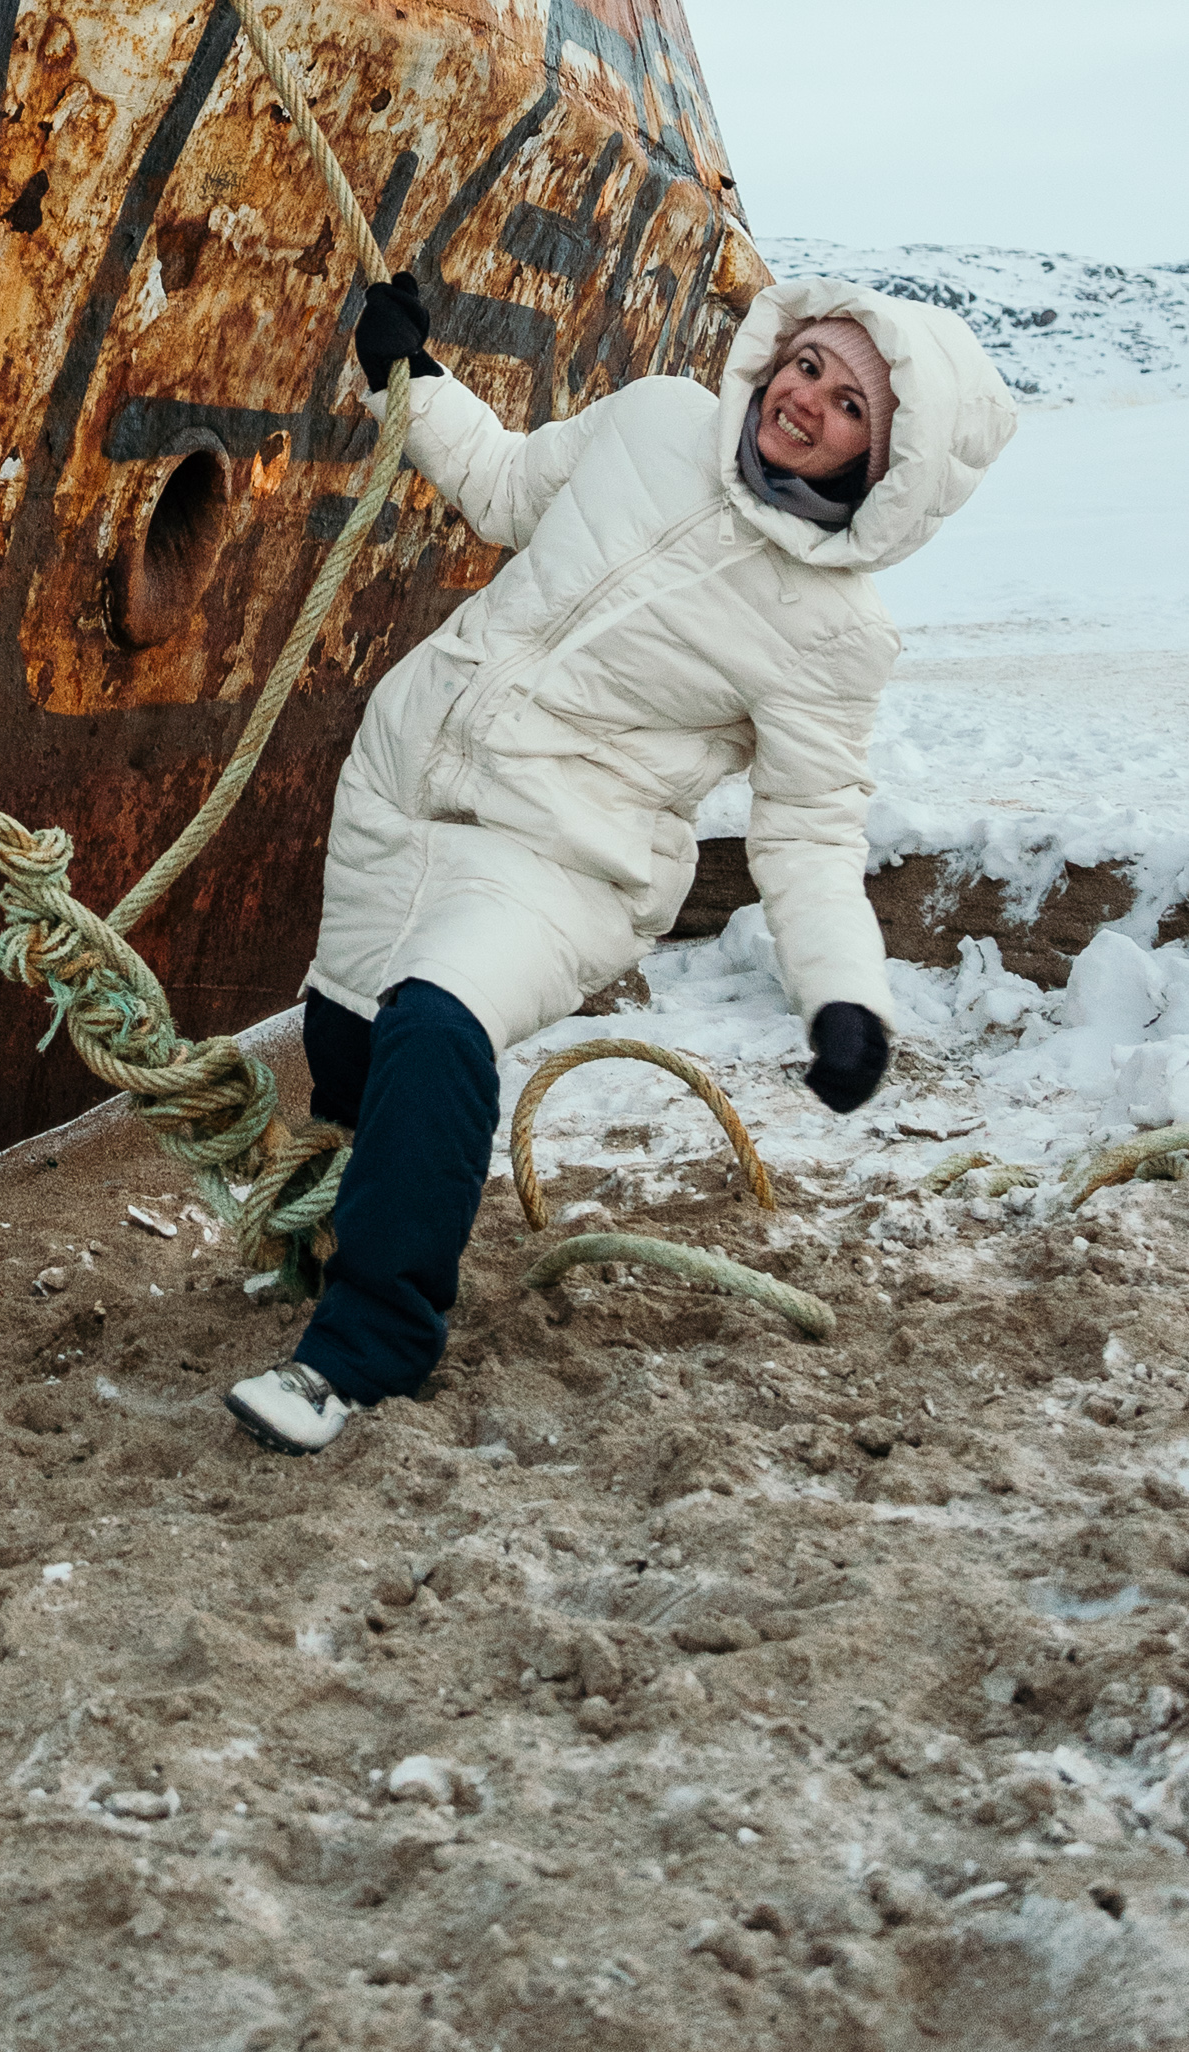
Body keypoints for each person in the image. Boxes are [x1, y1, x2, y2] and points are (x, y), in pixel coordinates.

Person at [227, 266, 1018, 1461]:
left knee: (436, 1028)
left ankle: (363, 1353)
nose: (805, 401)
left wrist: (844, 999)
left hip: (562, 860)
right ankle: (341, 1234)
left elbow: (806, 837)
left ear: (885, 467)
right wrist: (410, 376)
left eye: (850, 406)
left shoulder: (834, 631)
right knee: (349, 1053)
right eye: (808, 365)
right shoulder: (653, 421)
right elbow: (501, 489)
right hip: (401, 786)